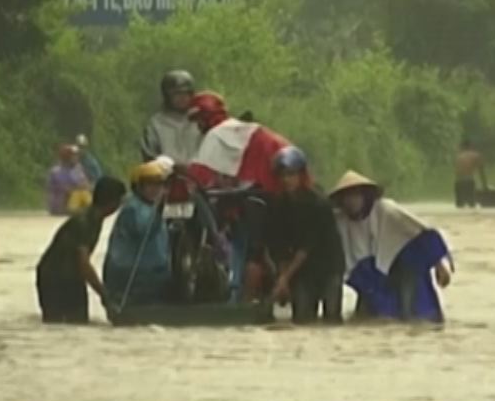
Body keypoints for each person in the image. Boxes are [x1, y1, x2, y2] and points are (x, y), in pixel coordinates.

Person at [186, 91, 292, 301]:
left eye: (199, 120)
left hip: (259, 196)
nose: (198, 126)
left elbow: (199, 174)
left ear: (207, 117)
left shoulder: (216, 135)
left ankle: (241, 304)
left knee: (253, 251)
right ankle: (265, 292)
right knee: (258, 249)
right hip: (274, 190)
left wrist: (179, 171)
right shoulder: (237, 129)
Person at [330, 171, 454, 323]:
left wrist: (441, 264)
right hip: (371, 272)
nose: (351, 201)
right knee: (370, 314)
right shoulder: (341, 221)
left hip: (404, 265)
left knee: (410, 313)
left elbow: (422, 233)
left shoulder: (387, 210)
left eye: (356, 195)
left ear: (365, 195)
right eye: (347, 196)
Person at [266, 147, 345, 325]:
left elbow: (306, 247)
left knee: (332, 318)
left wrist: (285, 278)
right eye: (283, 175)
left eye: (291, 174)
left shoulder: (318, 204)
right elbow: (279, 245)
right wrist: (282, 278)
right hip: (302, 270)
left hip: (328, 265)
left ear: (302, 175)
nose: (287, 180)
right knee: (302, 319)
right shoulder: (280, 205)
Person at [35, 177, 127, 324]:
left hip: (69, 276)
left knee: (77, 323)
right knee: (62, 323)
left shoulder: (94, 219)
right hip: (55, 278)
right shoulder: (84, 223)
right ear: (112, 203)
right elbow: (83, 263)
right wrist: (104, 295)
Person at [103, 161, 172, 309]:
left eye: (159, 185)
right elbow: (145, 230)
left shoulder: (151, 207)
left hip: (152, 275)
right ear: (139, 186)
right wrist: (160, 208)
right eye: (150, 184)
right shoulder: (132, 208)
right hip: (133, 276)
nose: (156, 189)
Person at [139, 70, 204, 165]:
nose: (182, 98)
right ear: (167, 96)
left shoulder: (201, 120)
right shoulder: (156, 124)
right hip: (167, 176)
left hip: (199, 176)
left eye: (185, 93)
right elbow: (150, 158)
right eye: (177, 94)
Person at [46, 144, 92, 216]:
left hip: (74, 201)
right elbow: (66, 189)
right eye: (74, 156)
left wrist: (85, 186)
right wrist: (79, 187)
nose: (77, 158)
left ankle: (90, 208)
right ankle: (77, 209)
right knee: (77, 193)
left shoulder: (77, 168)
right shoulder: (57, 171)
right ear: (66, 157)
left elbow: (85, 183)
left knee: (84, 192)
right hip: (60, 205)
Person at [453, 139, 487, 208]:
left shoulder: (459, 156)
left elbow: (457, 171)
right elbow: (481, 172)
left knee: (459, 206)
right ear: (471, 146)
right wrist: (485, 186)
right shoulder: (475, 155)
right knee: (471, 205)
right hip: (469, 181)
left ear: (462, 147)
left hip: (458, 182)